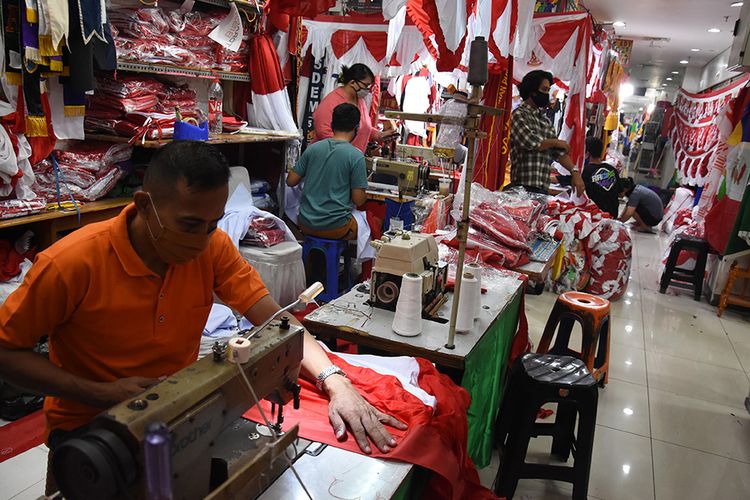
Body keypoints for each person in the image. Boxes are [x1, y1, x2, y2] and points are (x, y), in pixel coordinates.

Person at [0, 142, 405, 494]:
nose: (202, 239)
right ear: (144, 205)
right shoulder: (71, 263)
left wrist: (334, 381)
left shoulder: (211, 248)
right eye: (190, 225)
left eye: (212, 225)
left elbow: (277, 322)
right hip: (91, 436)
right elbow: (5, 352)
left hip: (174, 419)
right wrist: (99, 393)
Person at [287, 103, 367, 239]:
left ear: (332, 124)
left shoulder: (313, 149)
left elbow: (290, 181)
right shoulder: (356, 156)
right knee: (372, 223)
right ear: (357, 128)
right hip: (337, 227)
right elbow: (358, 200)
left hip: (306, 223)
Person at [510, 70, 585, 196]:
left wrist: (575, 172)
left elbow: (559, 152)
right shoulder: (519, 115)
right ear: (532, 91)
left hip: (542, 189)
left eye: (548, 90)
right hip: (522, 188)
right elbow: (531, 142)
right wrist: (556, 142)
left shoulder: (545, 121)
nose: (547, 94)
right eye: (544, 89)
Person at [313, 63, 397, 154]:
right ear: (352, 82)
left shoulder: (360, 101)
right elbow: (323, 132)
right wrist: (347, 152)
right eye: (366, 85)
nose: (368, 90)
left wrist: (380, 135)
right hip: (331, 158)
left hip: (350, 159)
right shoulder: (331, 102)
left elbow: (363, 127)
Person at [582, 136, 621, 217]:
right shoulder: (612, 170)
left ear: (587, 154)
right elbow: (620, 191)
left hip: (595, 216)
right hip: (612, 214)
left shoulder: (585, 171)